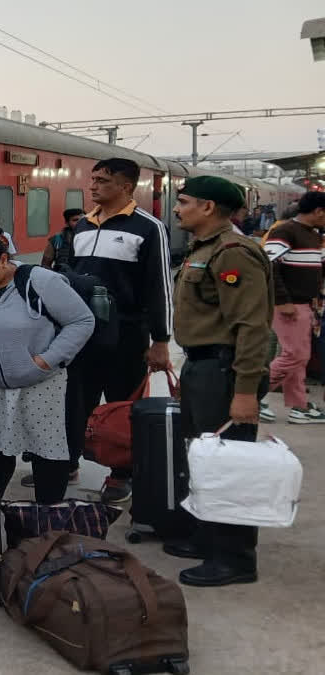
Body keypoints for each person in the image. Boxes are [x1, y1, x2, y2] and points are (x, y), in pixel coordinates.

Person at [162, 176, 272, 587]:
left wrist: (245, 391)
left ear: (208, 207)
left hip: (224, 371)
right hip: (202, 366)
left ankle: (235, 558)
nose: (177, 208)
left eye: (184, 201)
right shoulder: (204, 248)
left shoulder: (233, 253)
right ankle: (207, 537)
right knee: (204, 458)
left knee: (230, 464)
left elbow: (251, 326)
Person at [0, 231, 95, 504]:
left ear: (3, 259)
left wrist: (47, 359)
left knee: (47, 454)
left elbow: (82, 321)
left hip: (43, 385)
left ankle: (47, 516)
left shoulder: (42, 282)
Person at [61, 158, 173, 505]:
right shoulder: (83, 225)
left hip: (127, 333)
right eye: (93, 179)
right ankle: (67, 464)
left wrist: (161, 340)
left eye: (102, 181)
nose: (92, 186)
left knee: (123, 404)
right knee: (75, 401)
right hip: (83, 332)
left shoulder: (148, 228)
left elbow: (159, 287)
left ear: (126, 187)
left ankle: (121, 473)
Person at [262, 191, 325, 423]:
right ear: (319, 211)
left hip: (304, 304)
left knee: (299, 358)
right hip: (289, 305)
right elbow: (269, 266)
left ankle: (299, 406)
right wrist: (283, 300)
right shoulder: (285, 231)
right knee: (295, 356)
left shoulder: (313, 235)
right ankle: (252, 395)